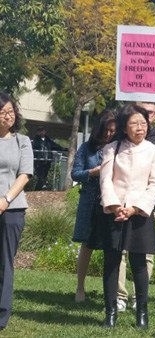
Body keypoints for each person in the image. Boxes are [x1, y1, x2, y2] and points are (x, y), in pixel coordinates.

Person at [95, 104, 155, 329]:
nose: (139, 128)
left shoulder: (154, 151)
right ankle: (110, 312)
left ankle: (142, 313)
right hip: (115, 212)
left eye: (143, 123)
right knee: (112, 263)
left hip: (139, 213)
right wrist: (115, 206)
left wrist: (135, 208)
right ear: (124, 127)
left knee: (139, 263)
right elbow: (105, 179)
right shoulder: (112, 149)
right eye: (134, 124)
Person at [116, 102, 155, 312]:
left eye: (148, 113)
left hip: (147, 206)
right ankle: (119, 295)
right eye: (139, 114)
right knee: (119, 252)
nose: (143, 118)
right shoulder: (118, 143)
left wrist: (145, 192)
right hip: (121, 207)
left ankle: (139, 297)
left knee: (144, 255)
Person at [71, 110, 117, 302]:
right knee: (87, 245)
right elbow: (75, 174)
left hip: (111, 201)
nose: (108, 134)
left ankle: (113, 293)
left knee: (112, 247)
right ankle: (80, 288)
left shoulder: (119, 147)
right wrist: (92, 172)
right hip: (90, 201)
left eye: (112, 131)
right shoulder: (86, 148)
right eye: (106, 130)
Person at [0, 92, 33, 330]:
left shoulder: (22, 141)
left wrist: (6, 199)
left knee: (4, 262)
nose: (7, 116)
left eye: (10, 111)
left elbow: (24, 175)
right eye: (2, 112)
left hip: (12, 209)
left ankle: (1, 315)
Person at [31, 126, 67, 190]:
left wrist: (64, 149)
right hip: (38, 161)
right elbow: (32, 147)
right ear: (37, 132)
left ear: (45, 132)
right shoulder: (35, 140)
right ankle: (39, 189)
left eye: (42, 130)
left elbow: (55, 146)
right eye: (39, 131)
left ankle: (38, 189)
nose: (41, 132)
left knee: (44, 176)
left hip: (47, 160)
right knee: (40, 176)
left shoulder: (48, 140)